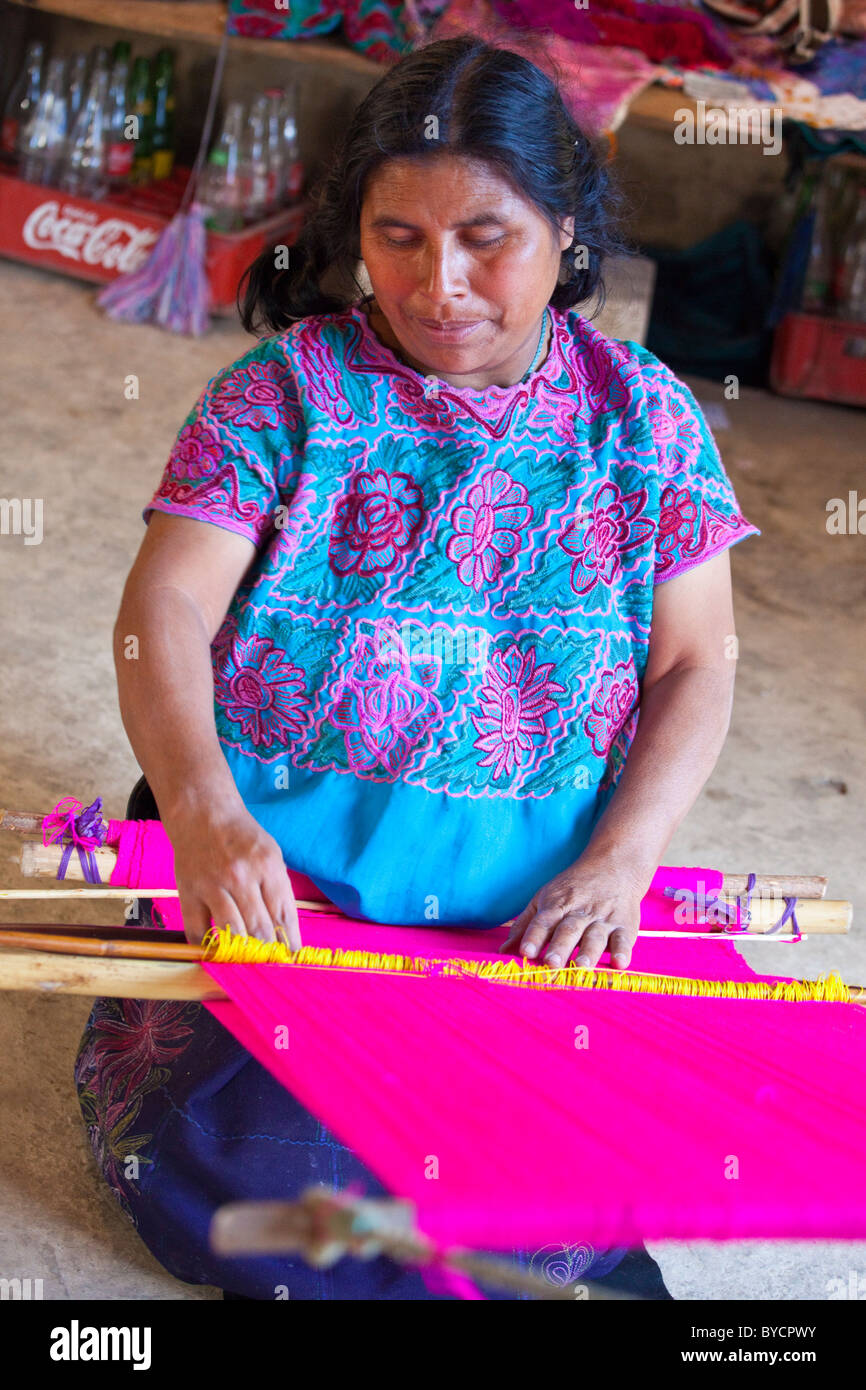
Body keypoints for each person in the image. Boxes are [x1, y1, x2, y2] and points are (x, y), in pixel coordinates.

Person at [74, 34, 759, 1300]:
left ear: (564, 226)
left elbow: (695, 664)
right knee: (266, 1170)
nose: (438, 284)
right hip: (294, 902)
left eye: (485, 237)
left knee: (565, 1174)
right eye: (398, 236)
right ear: (355, 233)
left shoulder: (643, 417)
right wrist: (206, 815)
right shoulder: (278, 399)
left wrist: (621, 857)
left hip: (522, 924)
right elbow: (161, 611)